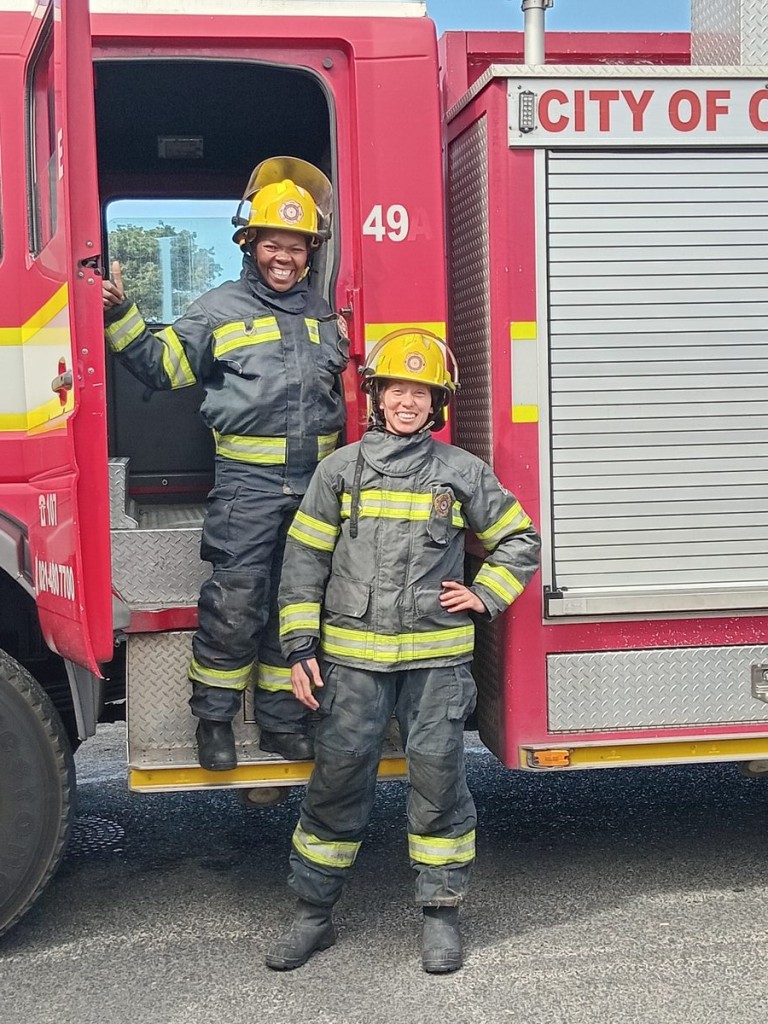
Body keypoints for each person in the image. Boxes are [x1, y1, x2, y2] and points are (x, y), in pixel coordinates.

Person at [266, 330, 540, 974]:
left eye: (421, 392)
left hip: (436, 665)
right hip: (352, 665)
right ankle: (312, 915)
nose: (407, 402)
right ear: (377, 397)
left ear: (436, 404)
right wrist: (300, 648)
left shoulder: (460, 471)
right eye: (396, 389)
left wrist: (484, 595)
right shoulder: (340, 471)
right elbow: (303, 561)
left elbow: (519, 540)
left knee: (439, 783)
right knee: (336, 782)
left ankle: (441, 915)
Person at [103, 157, 349, 770]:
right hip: (247, 488)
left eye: (297, 246)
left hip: (315, 491)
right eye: (273, 244)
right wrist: (119, 314)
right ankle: (213, 721)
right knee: (235, 606)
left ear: (311, 253)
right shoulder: (218, 309)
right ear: (250, 244)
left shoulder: (324, 315)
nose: (284, 257)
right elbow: (162, 367)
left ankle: (280, 723)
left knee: (295, 606)